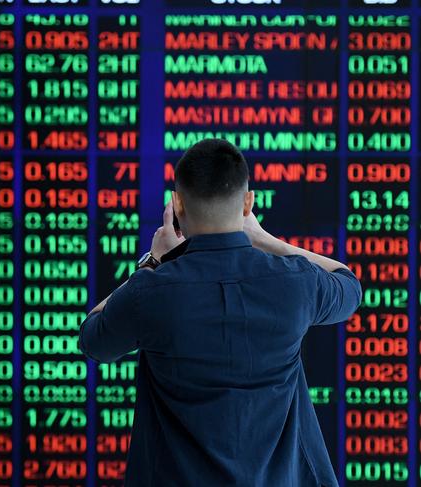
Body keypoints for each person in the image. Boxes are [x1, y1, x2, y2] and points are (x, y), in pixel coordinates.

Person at [78, 139, 362, 487]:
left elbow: (93, 339)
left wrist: (152, 262)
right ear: (248, 202)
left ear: (177, 204)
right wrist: (264, 239)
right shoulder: (294, 283)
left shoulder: (151, 292)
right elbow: (348, 285)